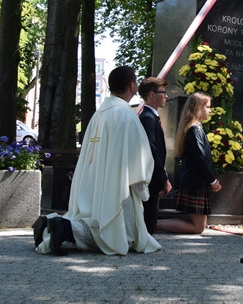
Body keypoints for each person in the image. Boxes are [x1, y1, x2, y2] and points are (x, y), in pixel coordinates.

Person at [34, 66, 160, 256]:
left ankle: (56, 226)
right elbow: (139, 155)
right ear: (132, 85)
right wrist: (142, 186)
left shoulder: (99, 114)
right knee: (114, 234)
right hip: (115, 182)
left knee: (95, 218)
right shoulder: (127, 115)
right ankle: (62, 226)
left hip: (92, 179)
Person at [157, 92, 221, 234]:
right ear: (198, 108)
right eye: (207, 107)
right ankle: (154, 225)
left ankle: (153, 224)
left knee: (196, 224)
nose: (210, 110)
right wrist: (212, 180)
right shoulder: (194, 130)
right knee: (198, 227)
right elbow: (199, 158)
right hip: (196, 182)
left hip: (194, 181)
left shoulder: (194, 128)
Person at [137, 77, 171, 235]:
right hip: (150, 178)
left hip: (153, 177)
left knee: (151, 218)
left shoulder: (151, 117)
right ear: (151, 95)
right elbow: (152, 150)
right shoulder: (147, 119)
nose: (166, 96)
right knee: (148, 220)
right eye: (163, 93)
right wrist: (163, 179)